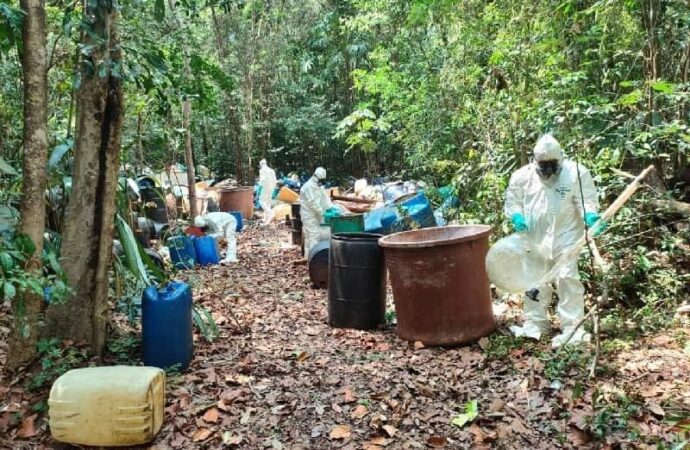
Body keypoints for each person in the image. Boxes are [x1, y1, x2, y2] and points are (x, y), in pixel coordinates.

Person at [504, 134, 602, 348]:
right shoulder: (522, 176)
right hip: (534, 238)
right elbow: (513, 202)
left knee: (568, 279)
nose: (548, 170)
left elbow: (586, 200)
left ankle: (573, 327)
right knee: (534, 280)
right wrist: (516, 217)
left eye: (552, 165)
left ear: (559, 160)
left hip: (566, 236)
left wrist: (591, 215)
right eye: (543, 165)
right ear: (535, 161)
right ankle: (535, 324)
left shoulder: (576, 172)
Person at [300, 167, 338, 258]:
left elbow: (325, 198)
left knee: (310, 238)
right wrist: (323, 213)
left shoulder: (319, 186)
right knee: (313, 237)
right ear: (316, 177)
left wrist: (331, 208)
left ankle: (307, 258)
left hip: (316, 215)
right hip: (308, 215)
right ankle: (314, 259)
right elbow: (313, 204)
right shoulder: (307, 187)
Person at [258, 159, 277, 225]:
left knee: (261, 201)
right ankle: (266, 218)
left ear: (261, 164)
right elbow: (275, 181)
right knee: (268, 202)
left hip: (265, 188)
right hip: (271, 188)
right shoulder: (271, 170)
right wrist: (272, 187)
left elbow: (263, 180)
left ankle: (271, 213)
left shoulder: (262, 170)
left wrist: (259, 186)